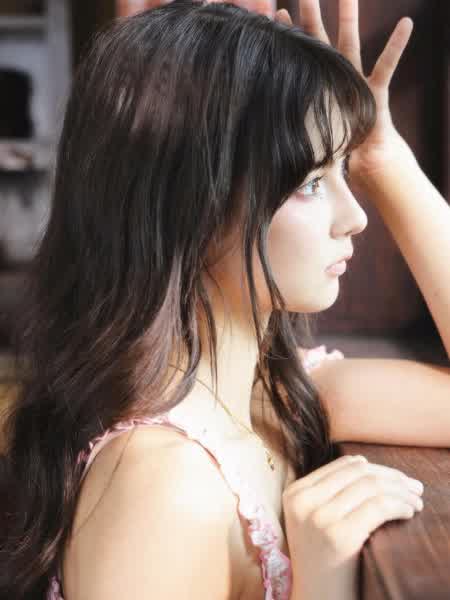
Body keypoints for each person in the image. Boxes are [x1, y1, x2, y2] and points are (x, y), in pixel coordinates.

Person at [2, 0, 449, 598]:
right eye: (313, 182)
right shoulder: (163, 486)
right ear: (193, 207)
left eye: (344, 171)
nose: (356, 217)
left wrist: (386, 161)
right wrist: (323, 582)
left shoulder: (280, 398)